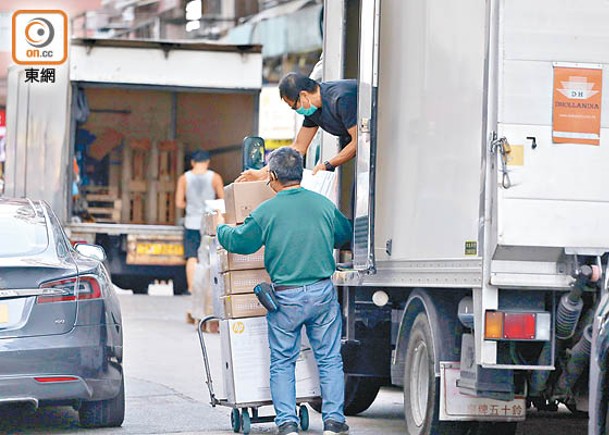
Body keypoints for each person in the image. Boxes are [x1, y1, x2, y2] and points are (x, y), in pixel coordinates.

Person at [217, 147, 352, 435]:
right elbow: (345, 234)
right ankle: (333, 421)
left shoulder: (267, 211)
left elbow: (241, 242)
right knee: (328, 358)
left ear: (274, 177)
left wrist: (220, 229)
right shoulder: (323, 205)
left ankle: (287, 423)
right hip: (321, 293)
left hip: (286, 298)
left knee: (282, 360)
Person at [236, 72, 357, 182]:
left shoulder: (340, 98)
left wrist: (328, 165)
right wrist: (262, 173)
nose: (296, 110)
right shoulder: (313, 111)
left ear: (304, 95)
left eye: (294, 106)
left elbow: (358, 141)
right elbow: (299, 147)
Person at [175, 150, 224, 295]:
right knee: (210, 256)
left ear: (192, 163)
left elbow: (179, 203)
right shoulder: (215, 178)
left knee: (191, 256)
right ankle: (208, 290)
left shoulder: (184, 178)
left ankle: (191, 289)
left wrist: (190, 206)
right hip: (209, 222)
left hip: (191, 222)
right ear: (208, 162)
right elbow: (222, 200)